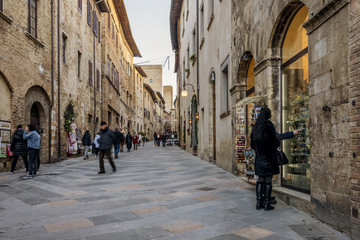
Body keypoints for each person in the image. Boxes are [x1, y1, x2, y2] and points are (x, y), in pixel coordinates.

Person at [251, 107, 300, 211]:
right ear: (270, 116)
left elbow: (252, 145)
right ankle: (267, 204)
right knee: (268, 180)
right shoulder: (269, 126)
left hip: (259, 158)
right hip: (269, 158)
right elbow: (275, 140)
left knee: (260, 179)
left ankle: (259, 203)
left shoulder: (255, 127)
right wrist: (292, 133)